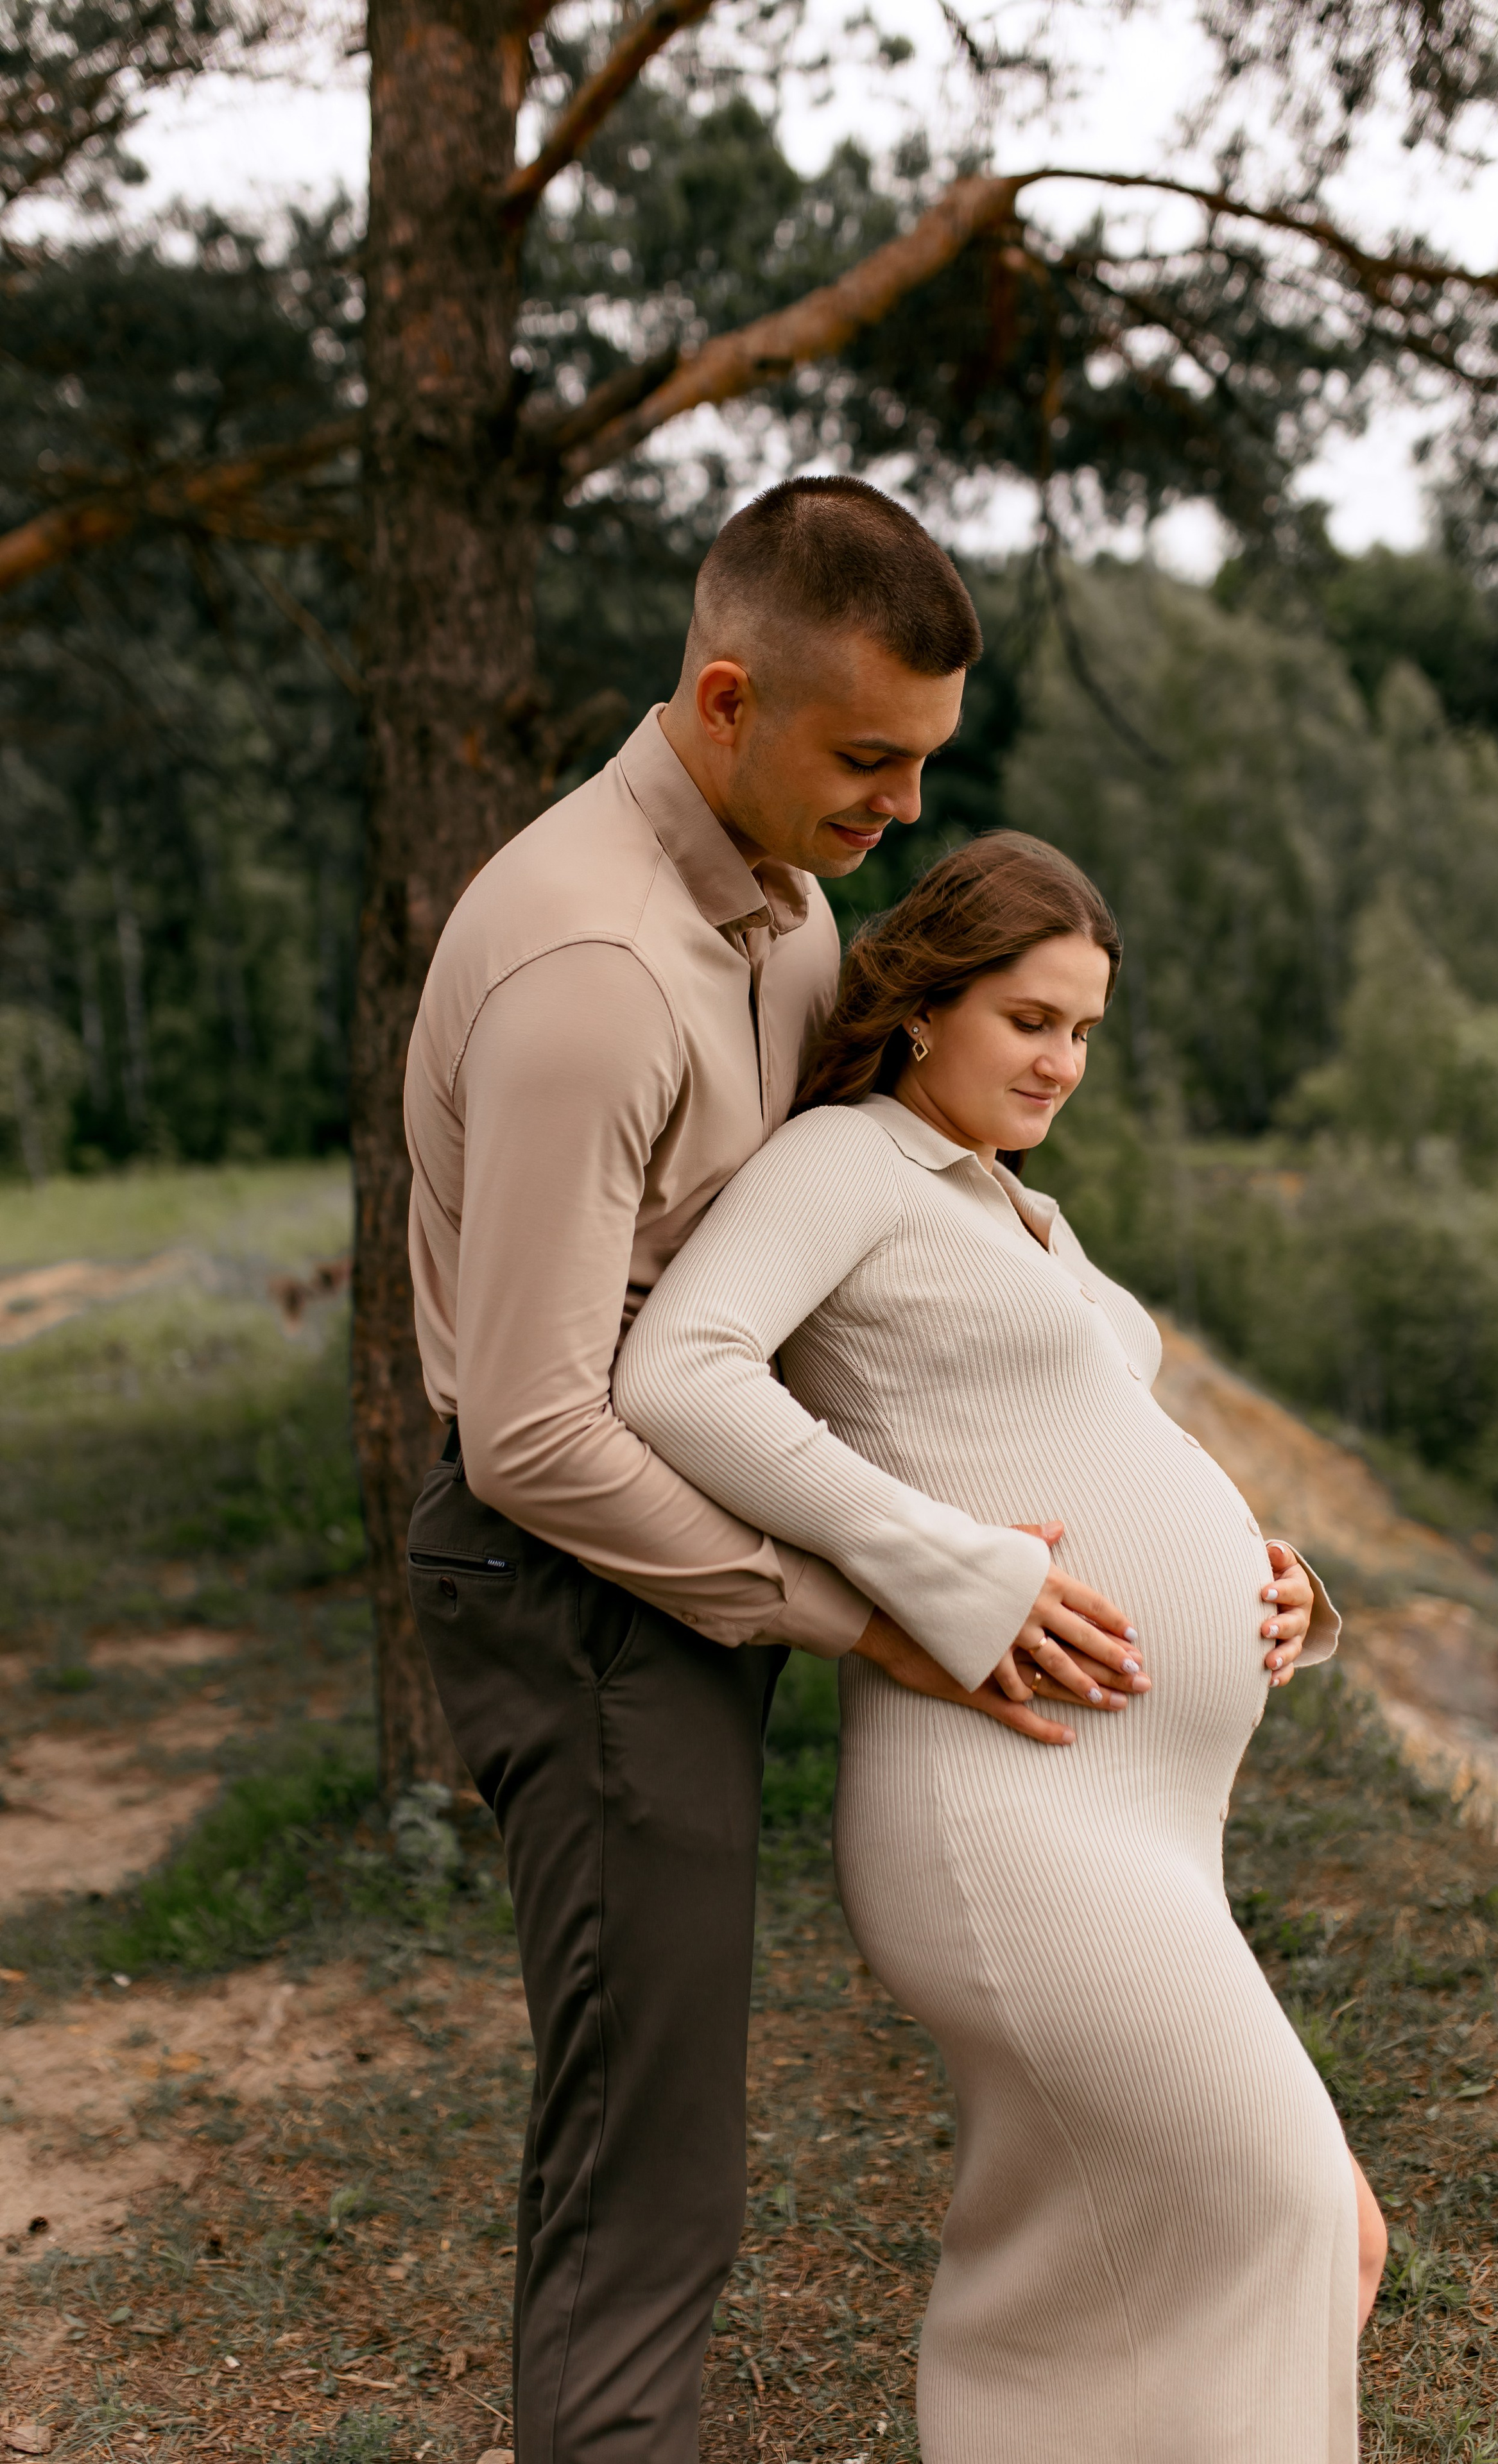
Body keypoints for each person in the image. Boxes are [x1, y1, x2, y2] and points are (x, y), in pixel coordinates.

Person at [400, 479, 1183, 2464]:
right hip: (575, 1589)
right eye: (869, 757)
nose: (904, 808)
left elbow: (894, 1207)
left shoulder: (792, 904)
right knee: (648, 2172)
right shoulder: (588, 967)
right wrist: (868, 1607)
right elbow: (540, 1431)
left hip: (690, 1555)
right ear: (729, 699)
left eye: (926, 762)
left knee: (677, 2136)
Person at [616, 830, 1387, 2463]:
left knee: (1136, 2272)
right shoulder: (847, 1165)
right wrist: (941, 1572)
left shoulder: (1017, 1212)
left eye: (1087, 1032)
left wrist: (1267, 1584)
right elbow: (678, 1372)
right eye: (1031, 1019)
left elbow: (1097, 1433)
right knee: (1292, 2218)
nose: (1062, 1061)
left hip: (1145, 1829)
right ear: (920, 1007)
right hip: (1011, 1818)